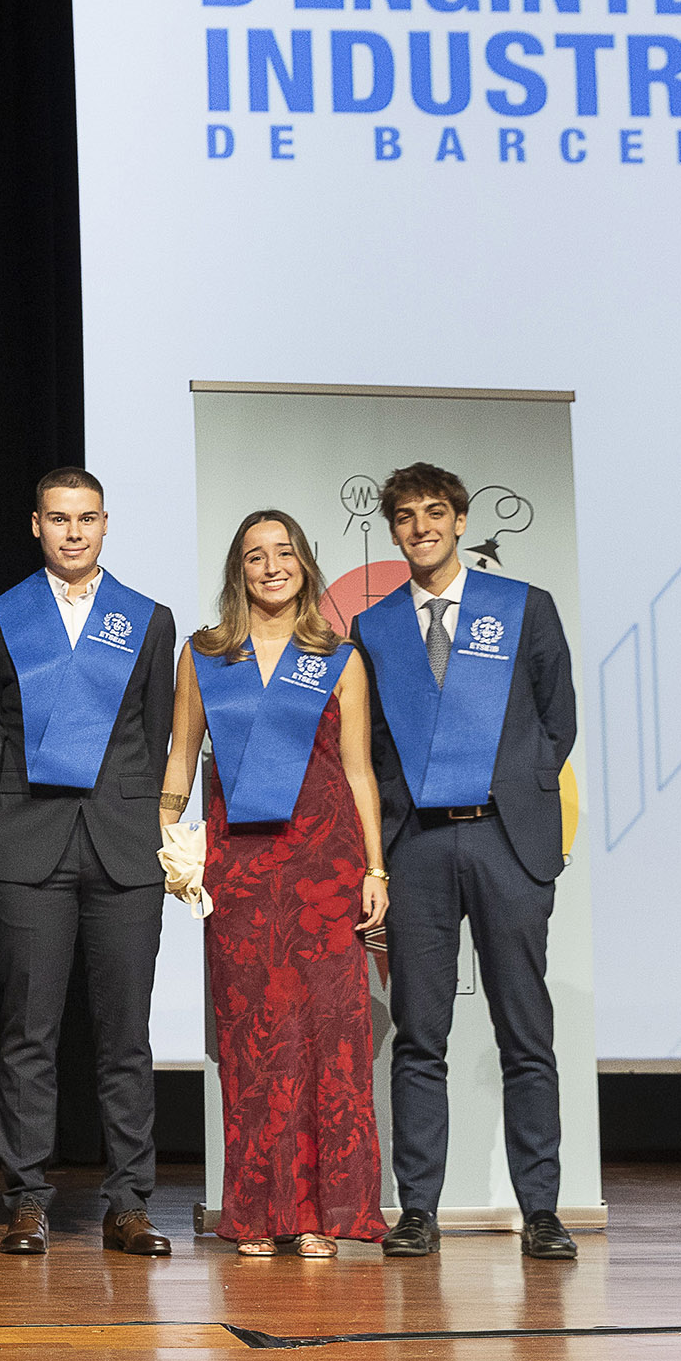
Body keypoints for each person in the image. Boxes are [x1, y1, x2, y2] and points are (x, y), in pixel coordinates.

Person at [350, 463, 578, 1262]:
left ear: (460, 519)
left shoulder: (523, 607)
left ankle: (542, 1210)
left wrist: (512, 785)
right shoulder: (374, 629)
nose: (422, 527)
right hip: (417, 846)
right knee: (420, 1034)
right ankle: (418, 1210)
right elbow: (372, 746)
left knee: (525, 1033)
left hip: (505, 840)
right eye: (406, 516)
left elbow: (558, 721)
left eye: (435, 512)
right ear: (393, 529)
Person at [161, 509, 389, 1257]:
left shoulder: (340, 659)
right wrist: (166, 837)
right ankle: (258, 1213)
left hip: (326, 872)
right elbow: (181, 759)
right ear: (239, 570)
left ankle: (322, 1213)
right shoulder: (204, 656)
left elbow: (359, 772)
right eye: (255, 555)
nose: (271, 566)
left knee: (327, 1038)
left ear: (305, 564)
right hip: (240, 873)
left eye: (284, 552)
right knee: (254, 1040)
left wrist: (376, 869)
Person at [0, 468, 177, 1258]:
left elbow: (155, 735)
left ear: (105, 524)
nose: (73, 532)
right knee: (29, 1033)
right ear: (36, 525)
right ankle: (27, 1200)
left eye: (86, 518)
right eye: (58, 519)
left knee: (126, 1037)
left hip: (123, 848)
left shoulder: (148, 619)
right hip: (28, 841)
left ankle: (129, 1202)